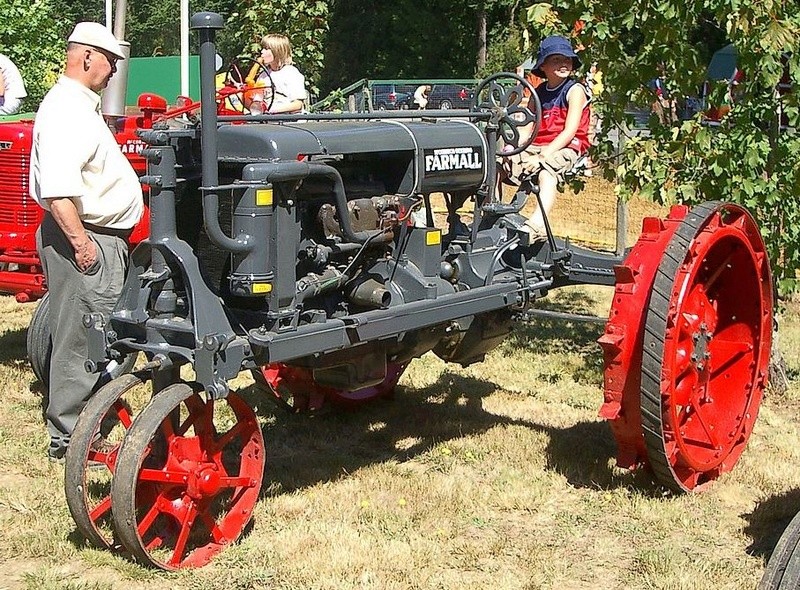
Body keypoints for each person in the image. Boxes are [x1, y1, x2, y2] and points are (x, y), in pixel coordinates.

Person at [29, 22, 144, 462]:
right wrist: (82, 245)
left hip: (97, 235)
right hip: (87, 237)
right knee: (83, 334)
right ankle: (70, 434)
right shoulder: (65, 109)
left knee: (90, 329)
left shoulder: (80, 106)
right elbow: (58, 190)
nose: (114, 70)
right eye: (111, 62)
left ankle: (88, 419)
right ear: (88, 57)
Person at [503, 35, 591, 240]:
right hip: (538, 145)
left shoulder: (574, 90)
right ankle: (494, 213)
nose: (563, 64)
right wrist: (512, 148)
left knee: (546, 173)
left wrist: (542, 157)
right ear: (543, 66)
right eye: (556, 60)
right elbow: (527, 127)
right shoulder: (538, 92)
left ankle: (537, 226)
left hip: (565, 146)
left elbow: (569, 131)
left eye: (566, 59)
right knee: (498, 164)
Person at [244, 34, 306, 114]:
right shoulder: (263, 76)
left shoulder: (291, 73)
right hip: (268, 121)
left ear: (277, 52)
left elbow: (298, 105)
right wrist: (244, 95)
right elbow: (257, 104)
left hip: (289, 122)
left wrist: (271, 110)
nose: (262, 51)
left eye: (266, 49)